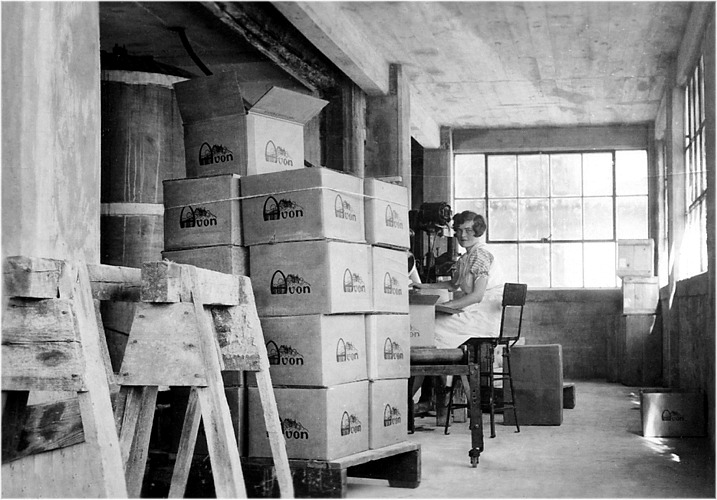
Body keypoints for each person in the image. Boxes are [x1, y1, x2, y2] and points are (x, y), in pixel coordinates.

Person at [413, 210, 504, 348]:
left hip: (484, 317)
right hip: (474, 311)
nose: (463, 235)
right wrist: (423, 286)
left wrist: (447, 306)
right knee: (429, 321)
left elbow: (477, 296)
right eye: (459, 230)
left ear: (477, 231)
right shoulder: (466, 257)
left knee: (430, 326)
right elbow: (452, 285)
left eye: (468, 230)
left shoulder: (481, 255)